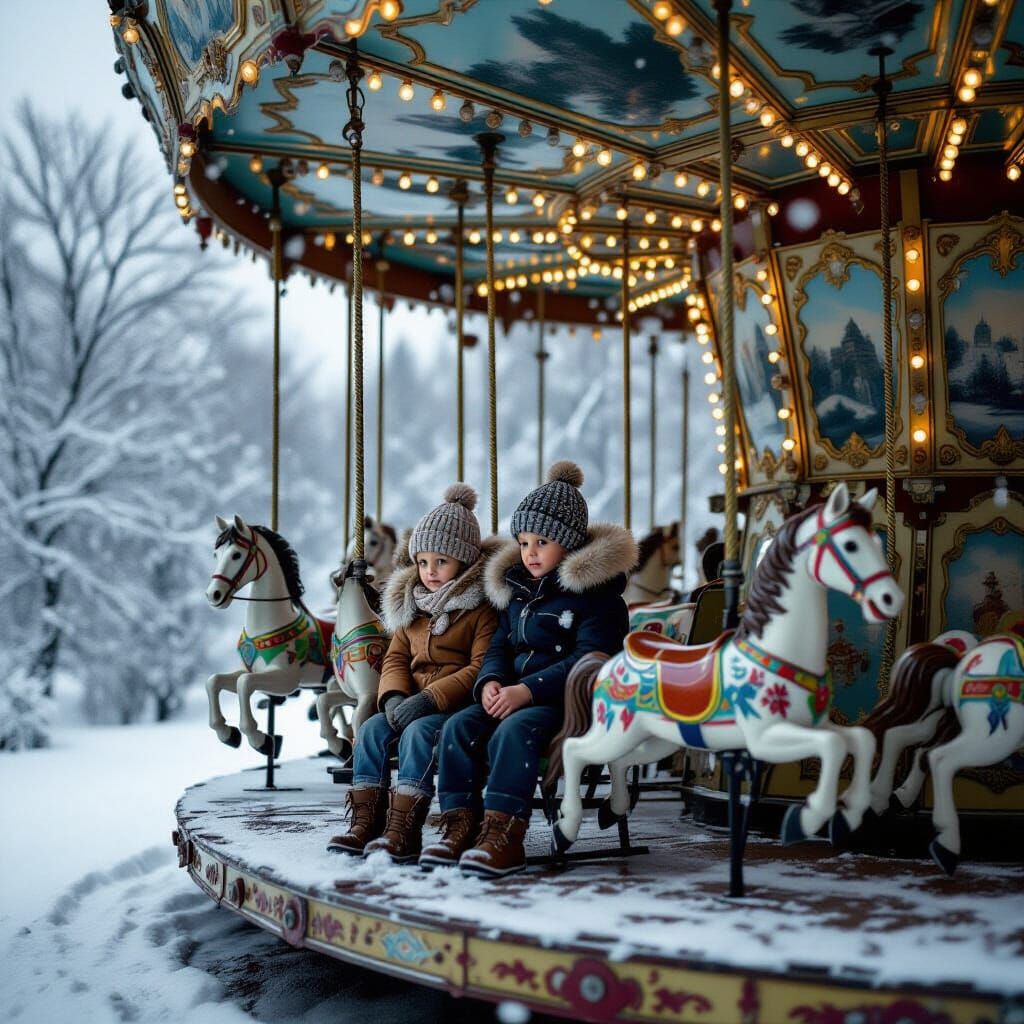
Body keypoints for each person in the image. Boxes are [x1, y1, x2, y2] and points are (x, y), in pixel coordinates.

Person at [420, 461, 637, 877]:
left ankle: (505, 834)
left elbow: (591, 661)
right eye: (522, 542)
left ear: (569, 544)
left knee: (514, 731)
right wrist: (492, 680)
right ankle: (460, 824)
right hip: (512, 694)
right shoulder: (520, 592)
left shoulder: (598, 598)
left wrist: (528, 690)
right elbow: (500, 644)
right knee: (458, 727)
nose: (529, 552)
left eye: (542, 541)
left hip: (568, 701)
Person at [327, 484, 499, 862]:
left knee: (420, 734)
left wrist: (427, 700)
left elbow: (478, 667)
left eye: (441, 562)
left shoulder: (480, 610)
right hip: (409, 701)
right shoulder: (412, 607)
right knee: (371, 729)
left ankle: (403, 828)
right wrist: (394, 696)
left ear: (465, 561)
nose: (430, 572)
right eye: (422, 562)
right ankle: (366, 820)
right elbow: (395, 659)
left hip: (450, 705)